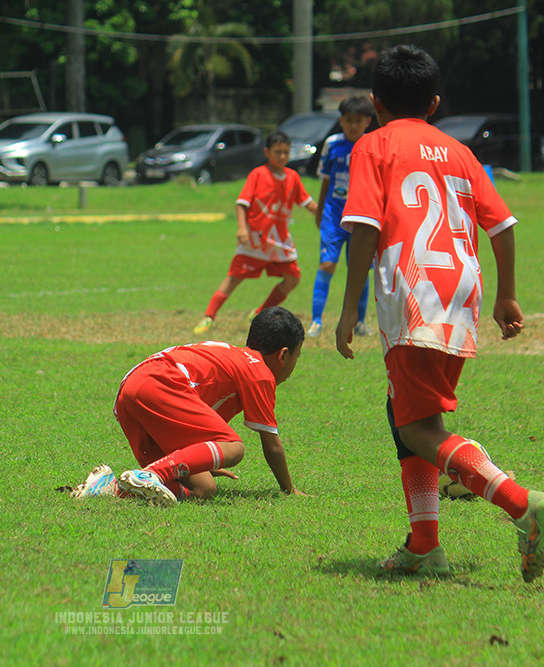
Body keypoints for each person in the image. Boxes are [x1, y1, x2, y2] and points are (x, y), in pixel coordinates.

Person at [334, 44, 544, 582]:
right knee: (407, 414)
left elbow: (364, 228)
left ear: (375, 101)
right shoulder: (460, 152)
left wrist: (349, 310)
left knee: (416, 427)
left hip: (411, 291)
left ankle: (519, 503)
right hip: (463, 291)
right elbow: (502, 226)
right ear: (433, 102)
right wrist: (507, 296)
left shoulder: (372, 145)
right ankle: (424, 544)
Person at [73, 306, 306, 506]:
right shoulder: (260, 373)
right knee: (234, 447)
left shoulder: (231, 355)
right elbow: (271, 445)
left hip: (132, 389)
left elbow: (191, 422)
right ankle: (151, 474)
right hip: (159, 383)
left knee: (203, 489)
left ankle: (108, 488)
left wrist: (201, 458)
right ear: (283, 355)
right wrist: (289, 490)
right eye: (298, 355)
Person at [193, 131, 316, 335]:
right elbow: (242, 203)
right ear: (267, 152)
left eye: (286, 152)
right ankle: (208, 317)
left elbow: (307, 202)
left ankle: (259, 313)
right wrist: (242, 228)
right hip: (255, 239)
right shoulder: (258, 175)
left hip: (279, 241)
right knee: (233, 278)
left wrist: (324, 214)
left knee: (293, 279)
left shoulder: (292, 178)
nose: (282, 156)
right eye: (278, 152)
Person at [309, 95, 374, 338]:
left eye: (358, 120)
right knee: (327, 264)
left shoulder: (371, 144)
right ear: (341, 121)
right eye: (349, 120)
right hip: (333, 215)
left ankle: (360, 322)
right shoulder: (332, 144)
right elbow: (326, 180)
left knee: (360, 268)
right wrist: (320, 211)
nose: (353, 125)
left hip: (360, 217)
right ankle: (316, 321)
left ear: (368, 121)